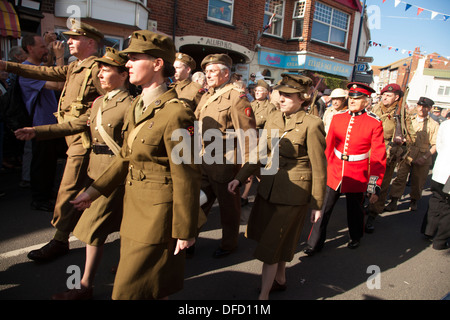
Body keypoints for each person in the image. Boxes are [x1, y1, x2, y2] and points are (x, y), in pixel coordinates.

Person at [71, 30, 201, 300]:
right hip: (133, 211)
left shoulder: (177, 112)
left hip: (158, 218)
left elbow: (186, 176)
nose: (127, 64)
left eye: (134, 58)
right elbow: (125, 157)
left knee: (128, 292)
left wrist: (186, 229)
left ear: (157, 64)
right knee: (152, 288)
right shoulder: (137, 106)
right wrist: (93, 192)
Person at [5, 19, 105, 262]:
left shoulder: (97, 67)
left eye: (74, 38)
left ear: (90, 42)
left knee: (69, 187)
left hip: (84, 137)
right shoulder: (75, 66)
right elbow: (44, 72)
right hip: (70, 134)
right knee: (91, 190)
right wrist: (7, 65)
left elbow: (110, 100)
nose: (68, 42)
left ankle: (60, 239)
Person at [228, 73, 327, 300]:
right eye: (280, 94)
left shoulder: (312, 125)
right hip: (269, 190)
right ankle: (280, 280)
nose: (281, 99)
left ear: (303, 98)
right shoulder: (274, 118)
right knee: (275, 239)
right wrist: (241, 177)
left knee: (270, 247)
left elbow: (319, 167)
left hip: (294, 196)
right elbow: (260, 153)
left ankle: (263, 296)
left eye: (288, 95)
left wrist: (317, 204)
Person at [51, 47, 133, 300]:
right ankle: (122, 267)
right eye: (99, 70)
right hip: (95, 171)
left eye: (106, 70)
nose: (100, 75)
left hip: (115, 176)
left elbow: (130, 148)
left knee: (94, 227)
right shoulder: (99, 101)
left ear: (123, 75)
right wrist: (38, 130)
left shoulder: (130, 104)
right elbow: (75, 124)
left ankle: (84, 285)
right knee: (120, 226)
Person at [304, 82, 386, 255]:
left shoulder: (374, 122)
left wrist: (374, 185)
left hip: (358, 172)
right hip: (334, 170)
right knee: (323, 207)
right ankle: (314, 242)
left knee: (355, 210)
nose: (352, 101)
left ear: (366, 101)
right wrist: (321, 171)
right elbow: (328, 146)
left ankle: (355, 236)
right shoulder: (338, 117)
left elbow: (378, 156)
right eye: (351, 97)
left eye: (357, 98)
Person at [195, 53, 256, 258]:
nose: (208, 75)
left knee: (229, 209)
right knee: (197, 202)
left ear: (226, 73)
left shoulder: (236, 98)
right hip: (204, 160)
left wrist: (246, 169)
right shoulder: (206, 95)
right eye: (206, 71)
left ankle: (229, 243)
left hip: (225, 163)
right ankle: (189, 238)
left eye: (212, 71)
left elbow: (248, 136)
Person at [17, 34, 66, 212]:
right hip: (40, 124)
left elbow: (47, 70)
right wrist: (60, 56)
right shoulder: (27, 70)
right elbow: (58, 84)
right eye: (42, 47)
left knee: (51, 161)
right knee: (42, 163)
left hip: (50, 123)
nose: (45, 50)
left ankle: (46, 192)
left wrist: (51, 51)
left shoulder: (37, 67)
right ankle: (39, 198)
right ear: (30, 48)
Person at [385, 97, 439, 212]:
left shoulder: (434, 124)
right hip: (407, 154)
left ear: (429, 109)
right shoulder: (409, 120)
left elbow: (435, 145)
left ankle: (414, 200)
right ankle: (393, 201)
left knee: (418, 181)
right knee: (400, 178)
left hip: (423, 155)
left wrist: (425, 157)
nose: (421, 109)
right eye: (419, 106)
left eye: (424, 107)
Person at [366, 84, 405, 232]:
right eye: (383, 95)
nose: (385, 97)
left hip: (388, 153)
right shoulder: (375, 109)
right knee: (365, 182)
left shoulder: (401, 113)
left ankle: (373, 214)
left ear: (396, 97)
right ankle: (363, 207)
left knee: (380, 186)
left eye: (389, 95)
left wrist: (402, 139)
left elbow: (410, 134)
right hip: (369, 151)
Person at [240, 79, 276, 207]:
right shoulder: (251, 104)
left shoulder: (270, 108)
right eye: (256, 90)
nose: (257, 93)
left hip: (261, 142)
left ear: (266, 93)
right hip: (249, 141)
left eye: (260, 91)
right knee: (249, 170)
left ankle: (264, 195)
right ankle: (244, 196)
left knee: (260, 172)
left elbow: (270, 128)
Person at [421, 119, 450, 250]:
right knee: (447, 207)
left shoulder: (445, 124)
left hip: (440, 171)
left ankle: (429, 230)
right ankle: (440, 241)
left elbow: (440, 145)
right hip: (447, 175)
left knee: (437, 200)